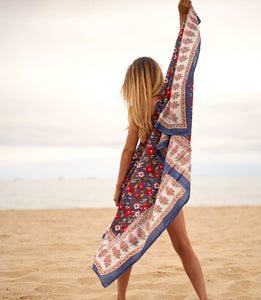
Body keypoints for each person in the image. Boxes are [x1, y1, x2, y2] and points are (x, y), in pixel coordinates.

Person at [93, 1, 208, 299]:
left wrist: (119, 186)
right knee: (183, 246)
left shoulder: (139, 111)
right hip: (166, 183)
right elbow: (180, 64)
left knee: (123, 243)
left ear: (134, 84)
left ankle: (121, 298)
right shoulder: (169, 103)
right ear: (156, 77)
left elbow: (128, 151)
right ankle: (204, 298)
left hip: (140, 188)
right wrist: (183, 20)